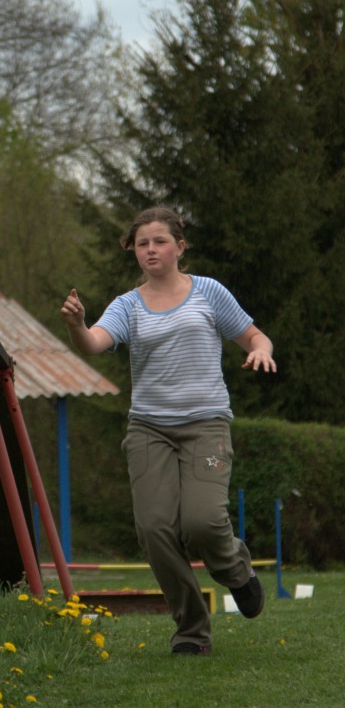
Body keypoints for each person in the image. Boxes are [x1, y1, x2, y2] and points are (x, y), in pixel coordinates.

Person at [61, 207, 276, 655]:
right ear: (134, 251)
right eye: (143, 243)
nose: (151, 250)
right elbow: (95, 343)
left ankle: (237, 570)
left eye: (160, 241)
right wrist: (78, 325)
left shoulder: (209, 293)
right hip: (149, 429)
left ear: (180, 246)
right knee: (155, 529)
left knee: (202, 521)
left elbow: (255, 336)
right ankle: (192, 631)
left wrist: (261, 351)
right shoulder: (127, 305)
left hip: (206, 425)